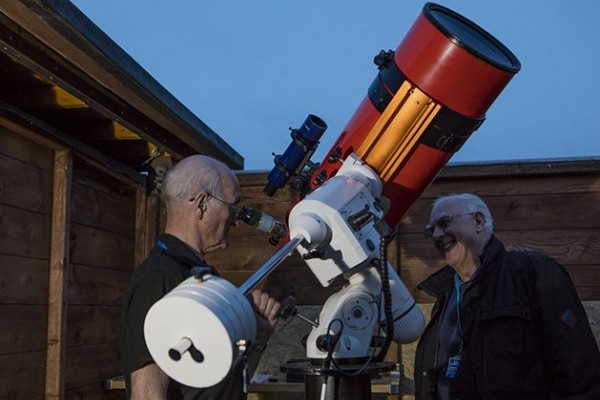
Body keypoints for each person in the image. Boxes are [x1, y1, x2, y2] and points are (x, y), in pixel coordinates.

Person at [121, 155, 280, 400]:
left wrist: (257, 336)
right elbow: (146, 393)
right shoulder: (160, 278)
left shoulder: (198, 278)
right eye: (232, 208)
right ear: (202, 204)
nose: (235, 221)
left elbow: (231, 378)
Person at [414, 193, 600, 400]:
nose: (437, 235)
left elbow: (579, 372)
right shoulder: (444, 295)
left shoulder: (533, 273)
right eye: (432, 230)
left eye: (444, 222)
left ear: (478, 221)